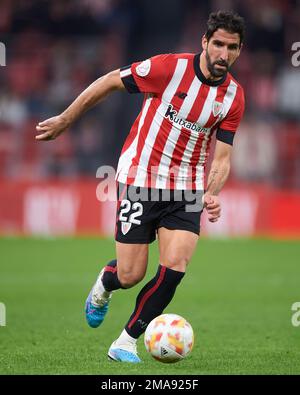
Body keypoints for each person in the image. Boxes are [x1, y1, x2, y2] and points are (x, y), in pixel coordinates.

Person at [36, 10, 245, 363]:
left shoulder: (233, 97)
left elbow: (222, 157)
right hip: (140, 177)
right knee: (131, 274)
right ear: (205, 42)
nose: (224, 54)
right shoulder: (169, 68)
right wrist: (66, 119)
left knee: (174, 267)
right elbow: (109, 81)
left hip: (186, 188)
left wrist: (212, 192)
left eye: (233, 48)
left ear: (239, 50)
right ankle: (106, 281)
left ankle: (126, 341)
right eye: (219, 45)